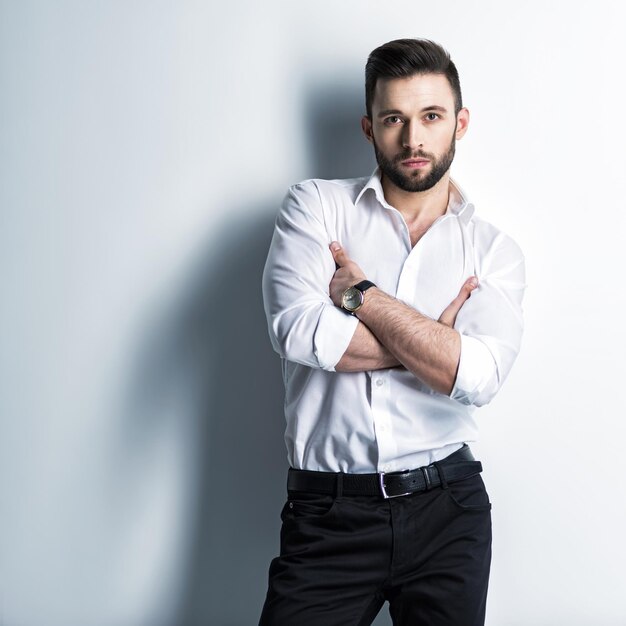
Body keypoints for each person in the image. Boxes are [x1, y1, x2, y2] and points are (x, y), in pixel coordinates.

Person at [259, 38, 525, 626]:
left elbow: (476, 376)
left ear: (460, 122)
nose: (413, 139)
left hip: (447, 509)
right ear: (368, 127)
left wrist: (361, 296)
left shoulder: (493, 252)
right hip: (326, 514)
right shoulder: (315, 209)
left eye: (430, 117)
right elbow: (298, 331)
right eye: (394, 120)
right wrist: (435, 342)